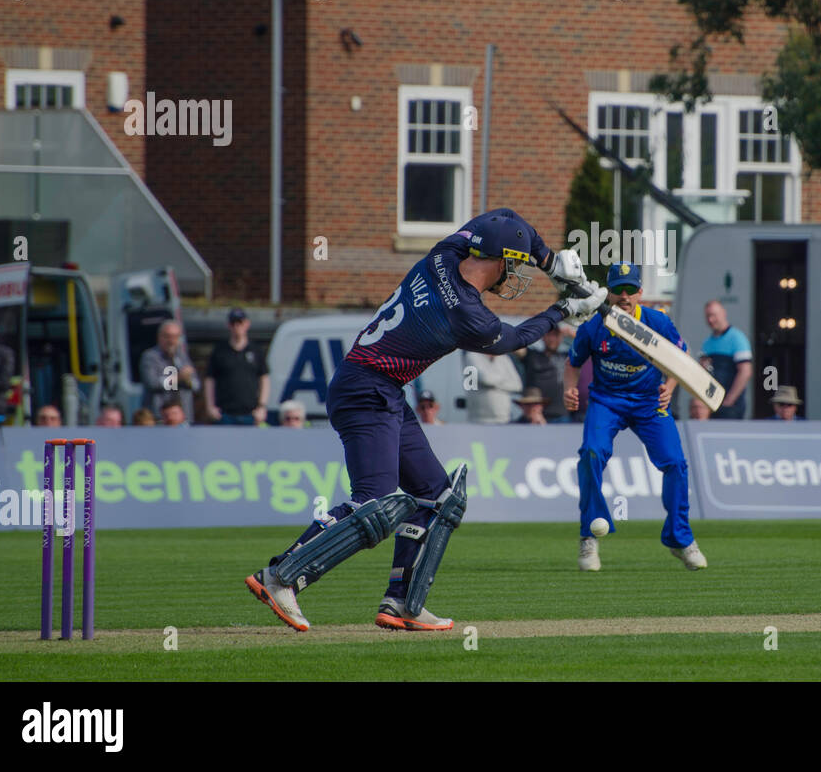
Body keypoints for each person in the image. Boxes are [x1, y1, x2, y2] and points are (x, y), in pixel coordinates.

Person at [243, 208, 605, 633]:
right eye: (515, 262)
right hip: (366, 389)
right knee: (374, 505)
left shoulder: (444, 253)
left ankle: (402, 603)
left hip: (382, 388)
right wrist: (563, 309)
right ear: (498, 259)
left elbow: (503, 216)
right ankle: (281, 577)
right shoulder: (467, 315)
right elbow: (514, 339)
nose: (515, 270)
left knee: (437, 497)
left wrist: (548, 261)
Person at [562, 263, 707, 573]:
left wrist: (669, 387)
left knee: (676, 464)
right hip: (607, 400)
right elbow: (573, 362)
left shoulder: (658, 322)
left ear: (641, 292)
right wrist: (569, 389)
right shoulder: (593, 325)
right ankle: (589, 535)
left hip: (649, 401)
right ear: (609, 292)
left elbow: (680, 360)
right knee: (591, 453)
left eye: (630, 290)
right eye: (618, 290)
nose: (624, 296)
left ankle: (679, 539)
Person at [205, 308, 270, 425]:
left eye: (240, 323)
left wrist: (262, 406)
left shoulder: (256, 350)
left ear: (247, 324)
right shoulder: (219, 351)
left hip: (250, 413)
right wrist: (210, 406)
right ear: (228, 325)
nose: (236, 327)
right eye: (233, 323)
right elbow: (210, 379)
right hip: (224, 413)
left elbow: (264, 378)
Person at [700, 300, 753, 419]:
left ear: (724, 313)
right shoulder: (707, 343)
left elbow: (745, 372)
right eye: (708, 316)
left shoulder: (737, 338)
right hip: (712, 404)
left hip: (731, 406)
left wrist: (729, 401)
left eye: (714, 315)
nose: (710, 319)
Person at [139, 320, 200, 424]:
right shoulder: (150, 357)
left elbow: (196, 385)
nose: (171, 341)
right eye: (167, 336)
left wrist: (189, 380)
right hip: (159, 418)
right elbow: (152, 383)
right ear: (159, 337)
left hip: (183, 418)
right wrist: (178, 378)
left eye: (175, 337)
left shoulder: (182, 357)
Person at [520, 323, 571, 422]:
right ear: (543, 337)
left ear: (561, 338)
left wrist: (571, 334)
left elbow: (589, 346)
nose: (552, 339)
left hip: (562, 415)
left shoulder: (566, 357)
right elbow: (514, 346)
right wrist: (536, 330)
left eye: (556, 335)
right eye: (549, 335)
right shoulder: (532, 356)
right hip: (535, 414)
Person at [464, 350, 522, 424]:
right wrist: (505, 378)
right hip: (478, 419)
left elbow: (517, 385)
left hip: (503, 418)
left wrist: (493, 382)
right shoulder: (472, 356)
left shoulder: (504, 358)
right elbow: (485, 379)